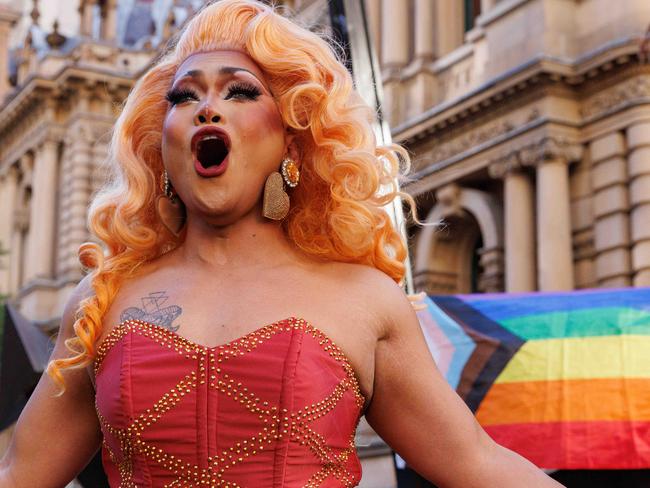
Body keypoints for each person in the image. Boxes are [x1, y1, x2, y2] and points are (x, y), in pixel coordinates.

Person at [0, 1, 564, 486]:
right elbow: (20, 476)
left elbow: (479, 464)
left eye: (241, 91)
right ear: (160, 145)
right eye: (183, 97)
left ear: (290, 141)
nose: (207, 107)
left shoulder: (364, 300)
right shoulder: (102, 299)